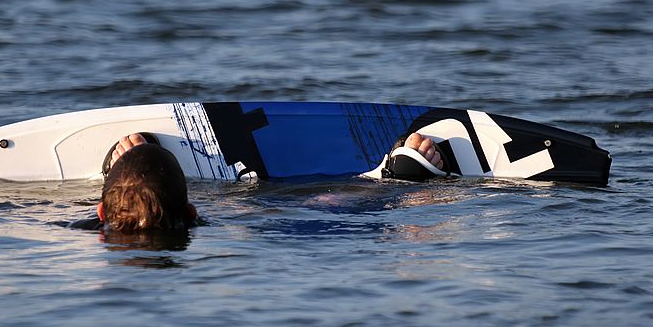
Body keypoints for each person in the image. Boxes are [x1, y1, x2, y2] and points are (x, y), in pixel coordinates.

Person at [92, 130, 444, 232]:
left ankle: (122, 177)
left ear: (101, 213)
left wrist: (130, 177)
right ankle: (389, 181)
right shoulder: (201, 221)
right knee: (311, 207)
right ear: (191, 211)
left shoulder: (77, 231)